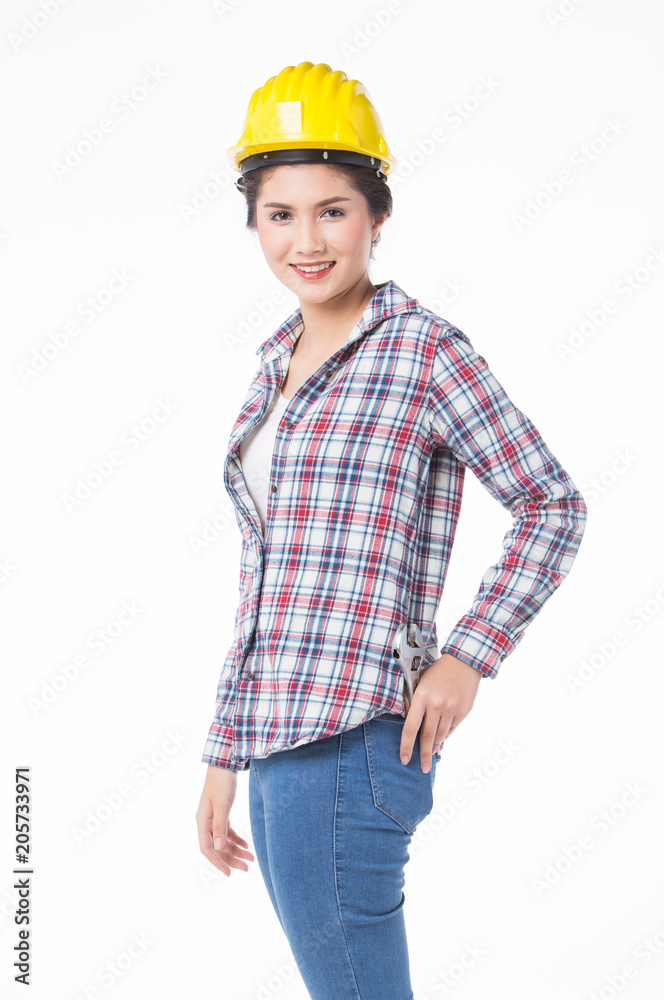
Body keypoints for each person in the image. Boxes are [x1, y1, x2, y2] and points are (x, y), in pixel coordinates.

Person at [195, 61, 587, 1000]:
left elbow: (551, 505)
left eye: (332, 210)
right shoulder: (274, 363)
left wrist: (468, 657)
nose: (306, 240)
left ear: (376, 214)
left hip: (353, 741)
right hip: (277, 745)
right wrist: (223, 750)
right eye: (280, 214)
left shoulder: (421, 350)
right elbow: (268, 579)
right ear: (254, 224)